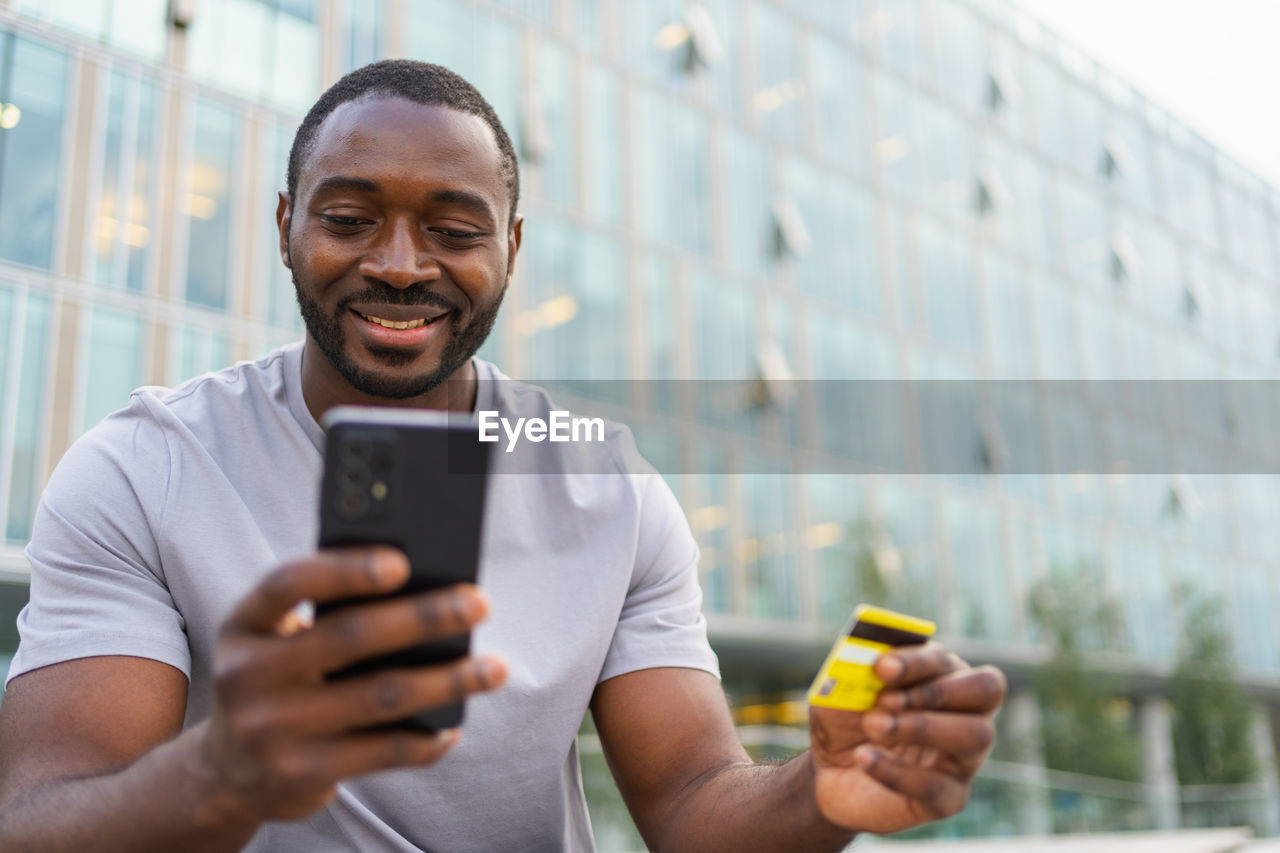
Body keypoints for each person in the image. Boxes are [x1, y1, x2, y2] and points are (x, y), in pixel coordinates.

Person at [0, 60, 1005, 852]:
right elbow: (37, 815)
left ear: (511, 250)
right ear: (285, 225)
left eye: (451, 229)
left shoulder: (608, 490)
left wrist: (818, 795)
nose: (398, 265)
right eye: (349, 220)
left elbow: (694, 803)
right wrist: (218, 771)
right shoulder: (142, 468)